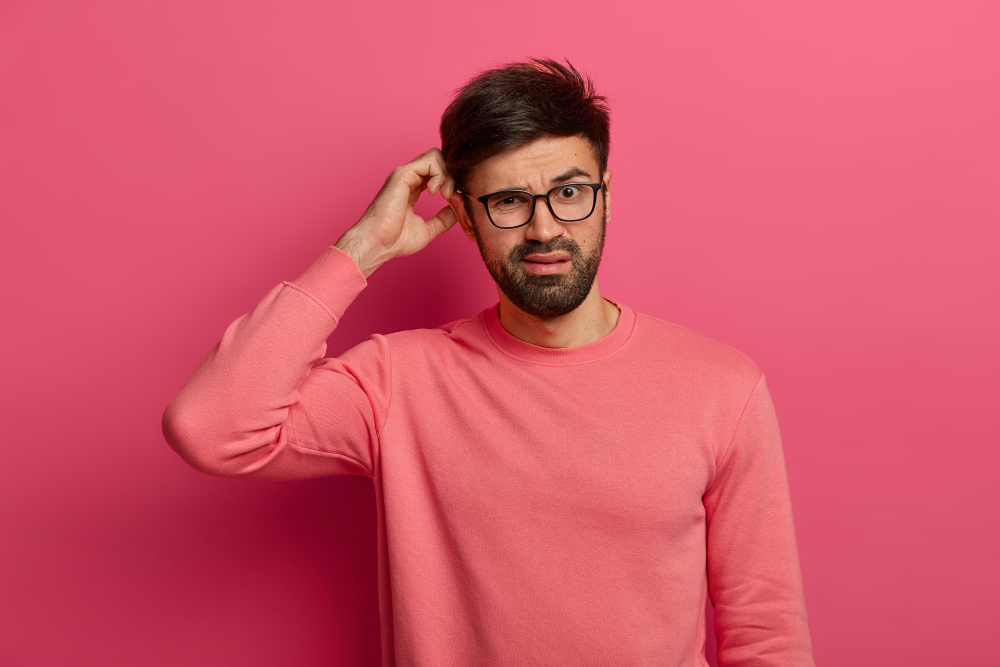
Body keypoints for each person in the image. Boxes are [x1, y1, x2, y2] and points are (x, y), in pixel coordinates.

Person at [162, 58, 814, 666]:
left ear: (607, 194)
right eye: (507, 201)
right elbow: (210, 426)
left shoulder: (721, 387)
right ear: (466, 219)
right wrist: (361, 249)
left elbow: (767, 632)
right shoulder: (400, 380)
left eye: (570, 192)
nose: (544, 229)